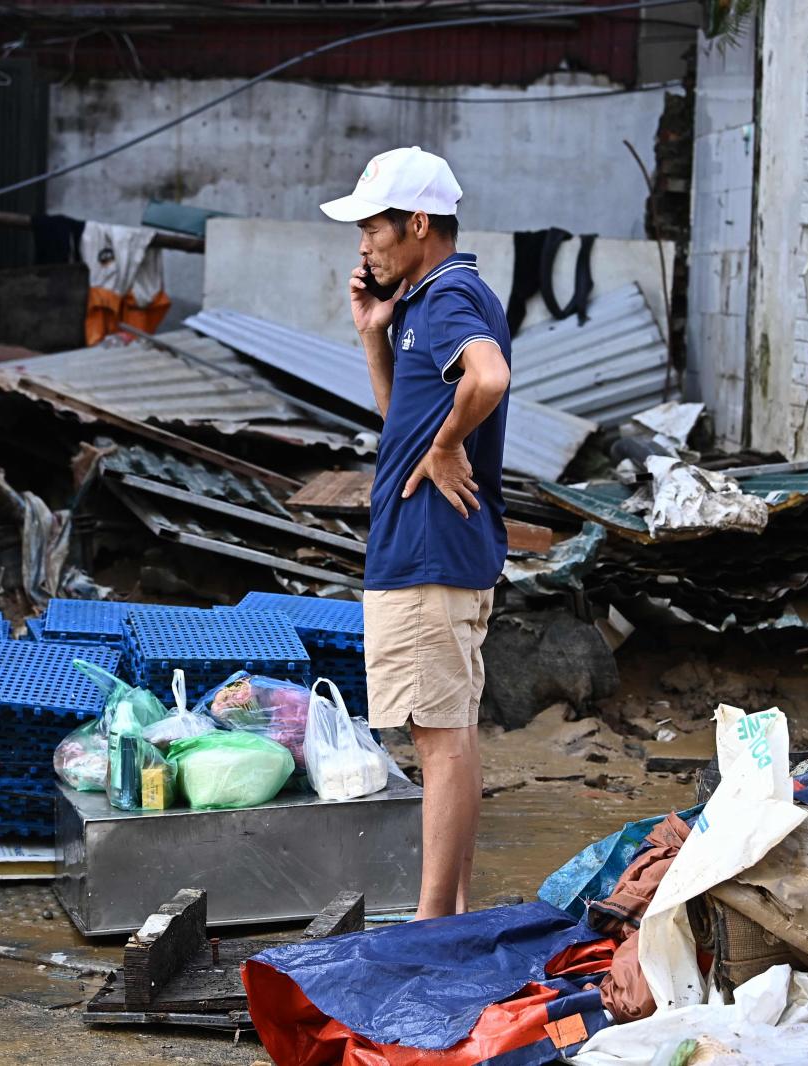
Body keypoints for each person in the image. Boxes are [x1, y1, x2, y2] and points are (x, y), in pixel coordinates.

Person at [320, 146, 512, 920]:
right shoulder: (420, 304)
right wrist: (373, 332)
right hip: (434, 547)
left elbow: (488, 377)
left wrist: (444, 446)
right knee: (449, 734)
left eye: (375, 228)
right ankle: (453, 913)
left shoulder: (445, 298)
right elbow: (403, 415)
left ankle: (433, 926)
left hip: (429, 549)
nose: (364, 246)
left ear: (419, 223)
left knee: (439, 741)